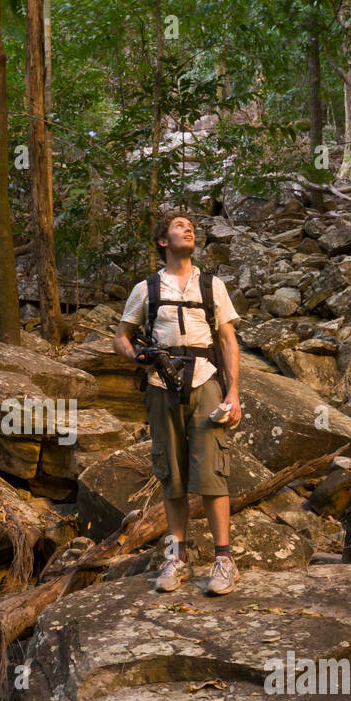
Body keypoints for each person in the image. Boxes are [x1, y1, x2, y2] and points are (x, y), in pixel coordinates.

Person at [113, 212, 243, 594]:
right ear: (163, 241)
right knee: (170, 473)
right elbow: (122, 335)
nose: (189, 229)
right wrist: (134, 356)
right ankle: (177, 558)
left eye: (192, 227)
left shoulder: (212, 285)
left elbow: (228, 341)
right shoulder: (146, 288)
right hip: (159, 382)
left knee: (212, 470)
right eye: (180, 226)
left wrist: (233, 393)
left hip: (205, 381)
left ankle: (224, 560)